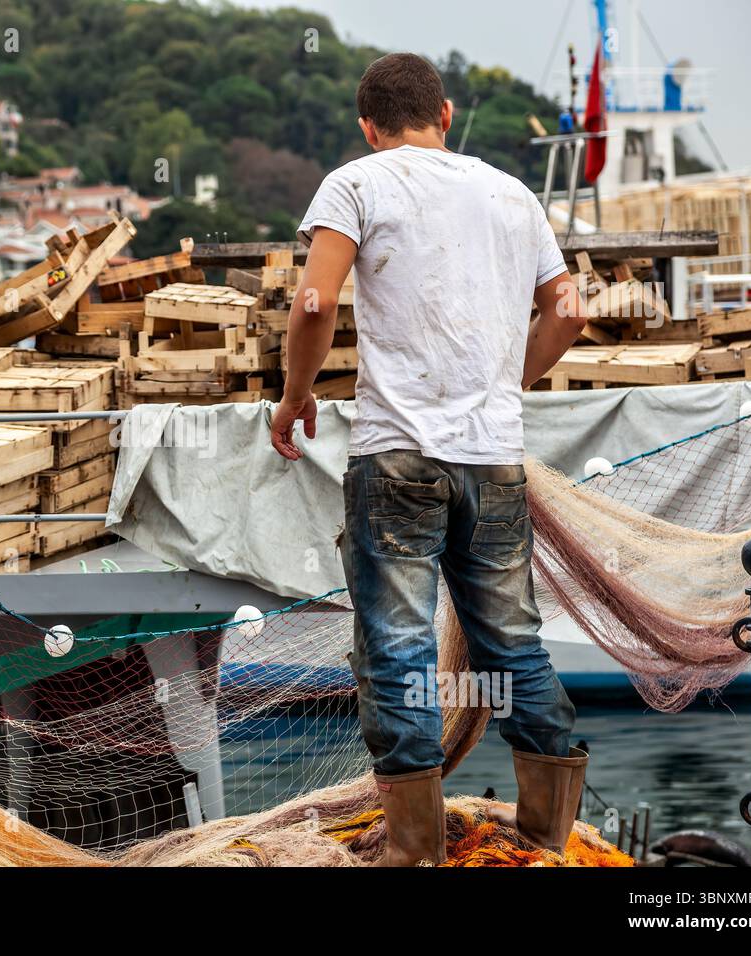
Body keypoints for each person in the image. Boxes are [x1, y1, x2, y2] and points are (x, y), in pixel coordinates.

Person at [270, 53, 590, 865]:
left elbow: (313, 300)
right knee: (513, 644)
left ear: (368, 126)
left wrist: (296, 393)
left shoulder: (358, 182)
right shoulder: (512, 193)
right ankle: (549, 839)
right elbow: (570, 311)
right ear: (445, 116)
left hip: (398, 460)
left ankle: (415, 851)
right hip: (494, 462)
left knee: (399, 651)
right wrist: (506, 384)